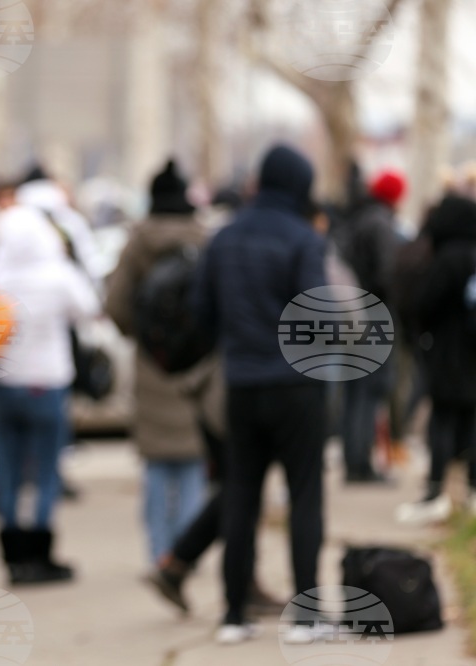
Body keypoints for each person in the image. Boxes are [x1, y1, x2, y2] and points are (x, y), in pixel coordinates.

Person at [194, 144, 328, 645]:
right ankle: (306, 617)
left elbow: (202, 312)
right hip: (297, 387)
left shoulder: (223, 238)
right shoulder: (303, 238)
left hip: (242, 384)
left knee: (241, 495)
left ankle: (233, 614)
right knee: (305, 495)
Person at [0, 203, 100, 584]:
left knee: (7, 471)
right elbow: (89, 308)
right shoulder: (58, 275)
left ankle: (13, 557)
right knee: (46, 471)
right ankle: (41, 553)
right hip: (47, 383)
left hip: (1, 385)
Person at [104, 160, 209, 568]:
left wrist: (145, 336)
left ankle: (157, 552)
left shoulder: (137, 244)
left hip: (153, 365)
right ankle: (184, 557)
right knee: (193, 465)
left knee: (157, 468)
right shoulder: (204, 241)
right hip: (197, 367)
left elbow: (116, 305)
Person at [395, 196, 476, 524]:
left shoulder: (447, 258)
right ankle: (471, 490)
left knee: (441, 419)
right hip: (472, 355)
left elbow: (424, 303)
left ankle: (435, 491)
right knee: (471, 421)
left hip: (447, 354)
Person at [336, 170, 406, 483]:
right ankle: (361, 464)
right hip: (375, 316)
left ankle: (353, 460)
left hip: (350, 315)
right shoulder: (380, 223)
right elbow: (387, 274)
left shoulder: (355, 218)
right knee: (369, 391)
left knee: (354, 391)